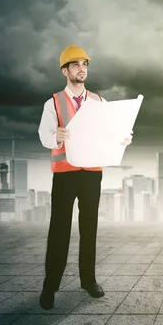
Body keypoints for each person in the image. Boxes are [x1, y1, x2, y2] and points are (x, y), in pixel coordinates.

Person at [37, 45, 132, 310]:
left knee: (89, 229)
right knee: (60, 230)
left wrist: (123, 139)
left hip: (91, 174)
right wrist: (55, 135)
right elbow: (43, 135)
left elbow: (109, 134)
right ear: (65, 70)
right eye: (76, 64)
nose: (82, 68)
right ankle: (50, 287)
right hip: (65, 174)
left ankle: (88, 281)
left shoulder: (99, 102)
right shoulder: (53, 102)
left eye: (85, 64)